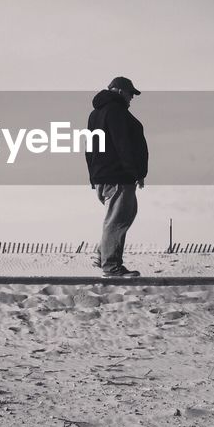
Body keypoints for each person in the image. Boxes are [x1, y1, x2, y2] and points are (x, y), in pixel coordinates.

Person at [85, 76, 148, 278]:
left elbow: (89, 148)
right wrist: (135, 172)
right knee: (117, 219)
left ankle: (102, 254)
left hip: (103, 175)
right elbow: (123, 144)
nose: (132, 99)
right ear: (121, 91)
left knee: (123, 215)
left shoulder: (95, 114)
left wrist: (93, 177)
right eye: (131, 94)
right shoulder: (116, 112)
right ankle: (111, 265)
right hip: (119, 174)